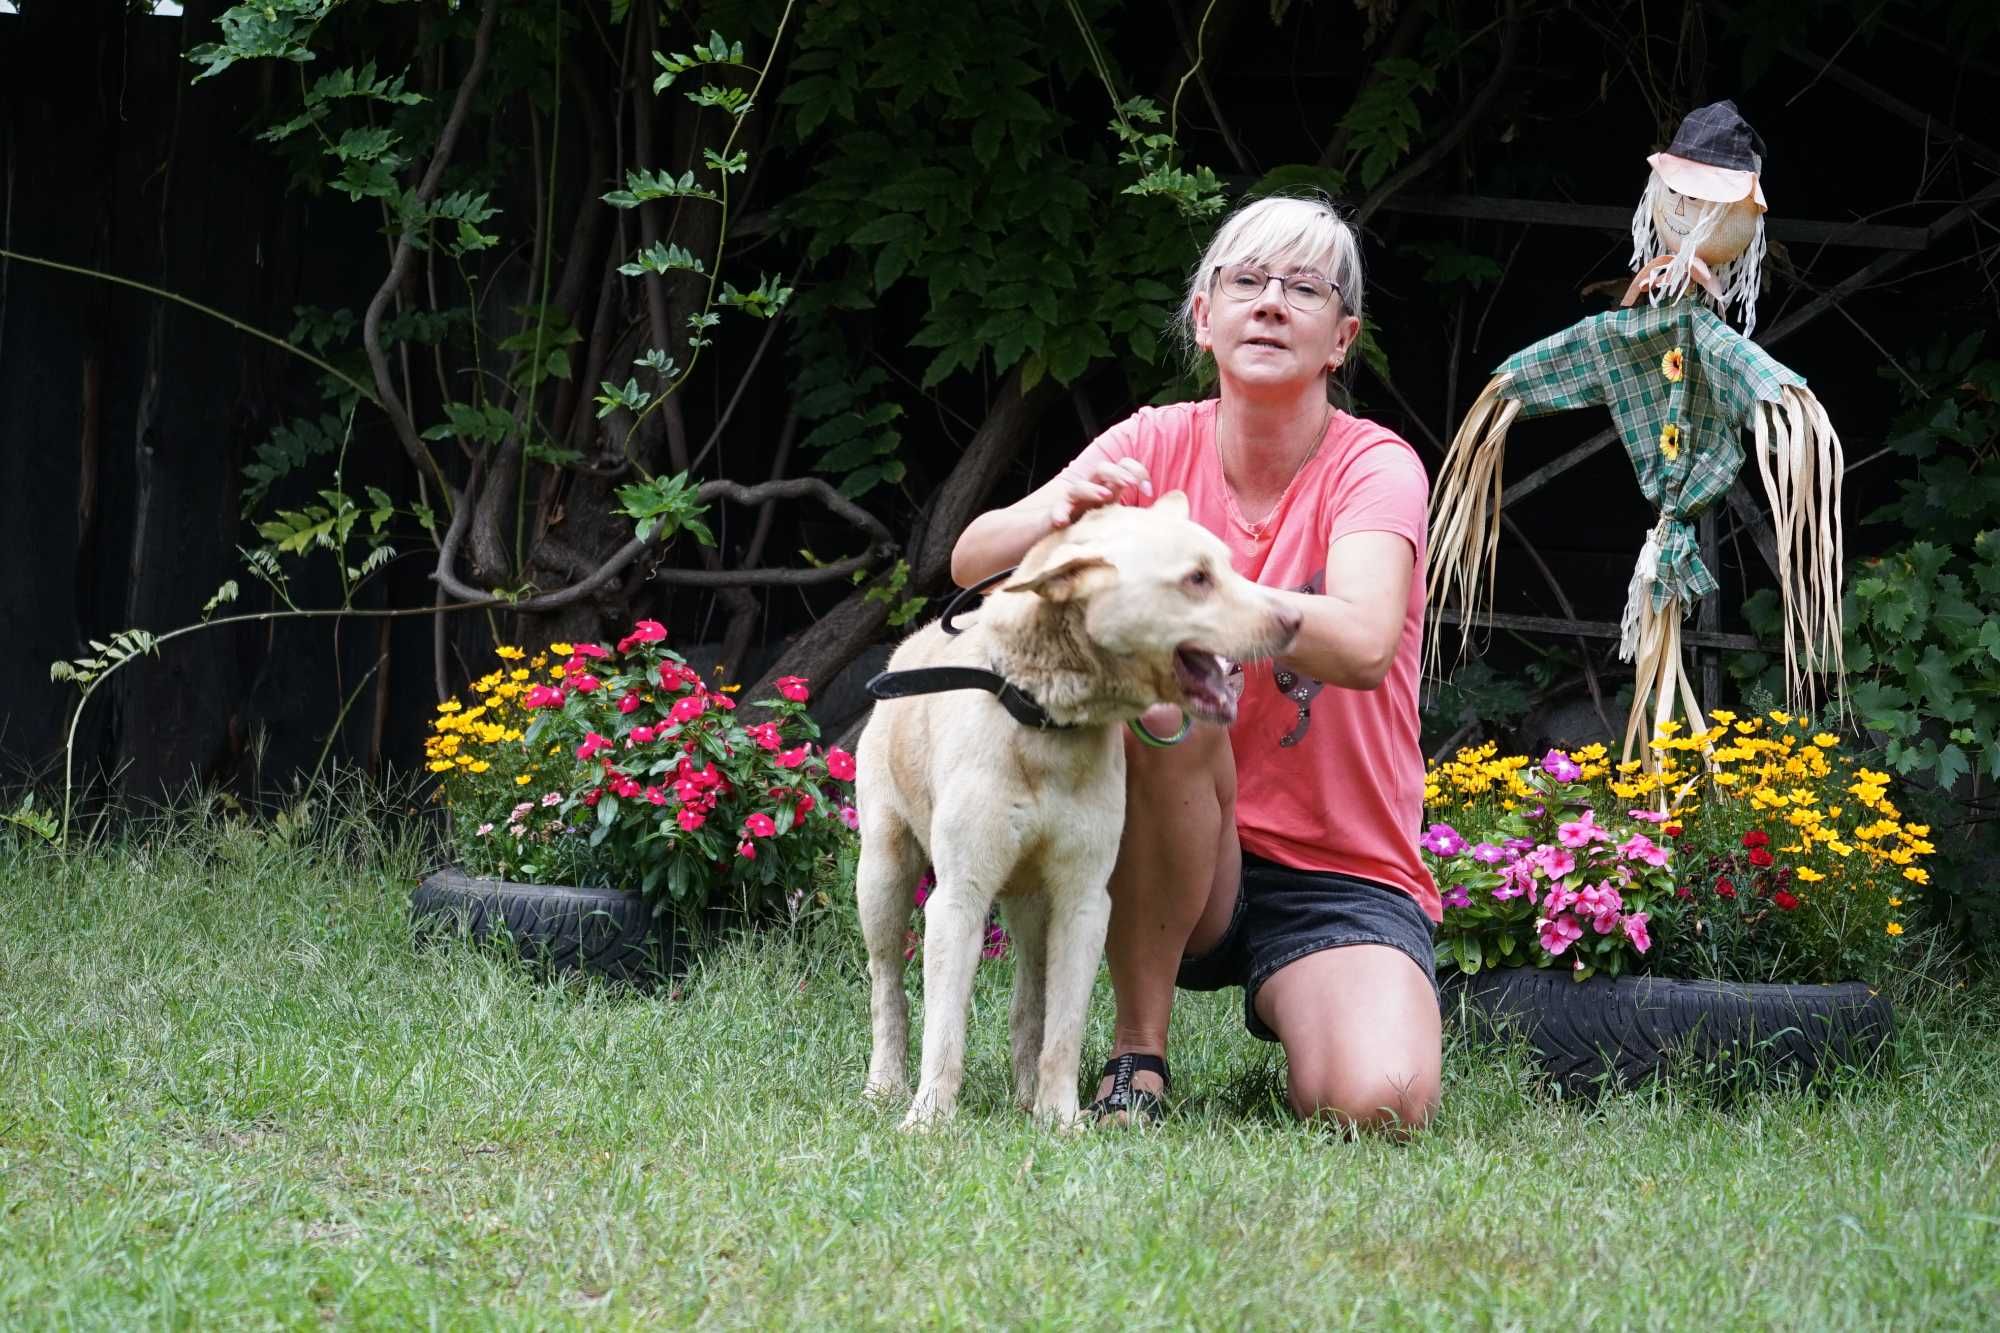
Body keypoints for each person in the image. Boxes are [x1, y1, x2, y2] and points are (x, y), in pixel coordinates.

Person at [950, 194, 1441, 1134]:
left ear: (1342, 339)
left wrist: (1213, 601)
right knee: (1164, 706)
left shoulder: (1377, 467)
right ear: (1202, 316)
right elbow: (974, 563)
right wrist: (1055, 513)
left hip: (1339, 868)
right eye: (1246, 281)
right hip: (1165, 839)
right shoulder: (1147, 445)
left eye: (1304, 288)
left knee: (1381, 1100)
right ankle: (1140, 1051)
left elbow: (1367, 644)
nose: (1270, 303)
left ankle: (1307, 996)